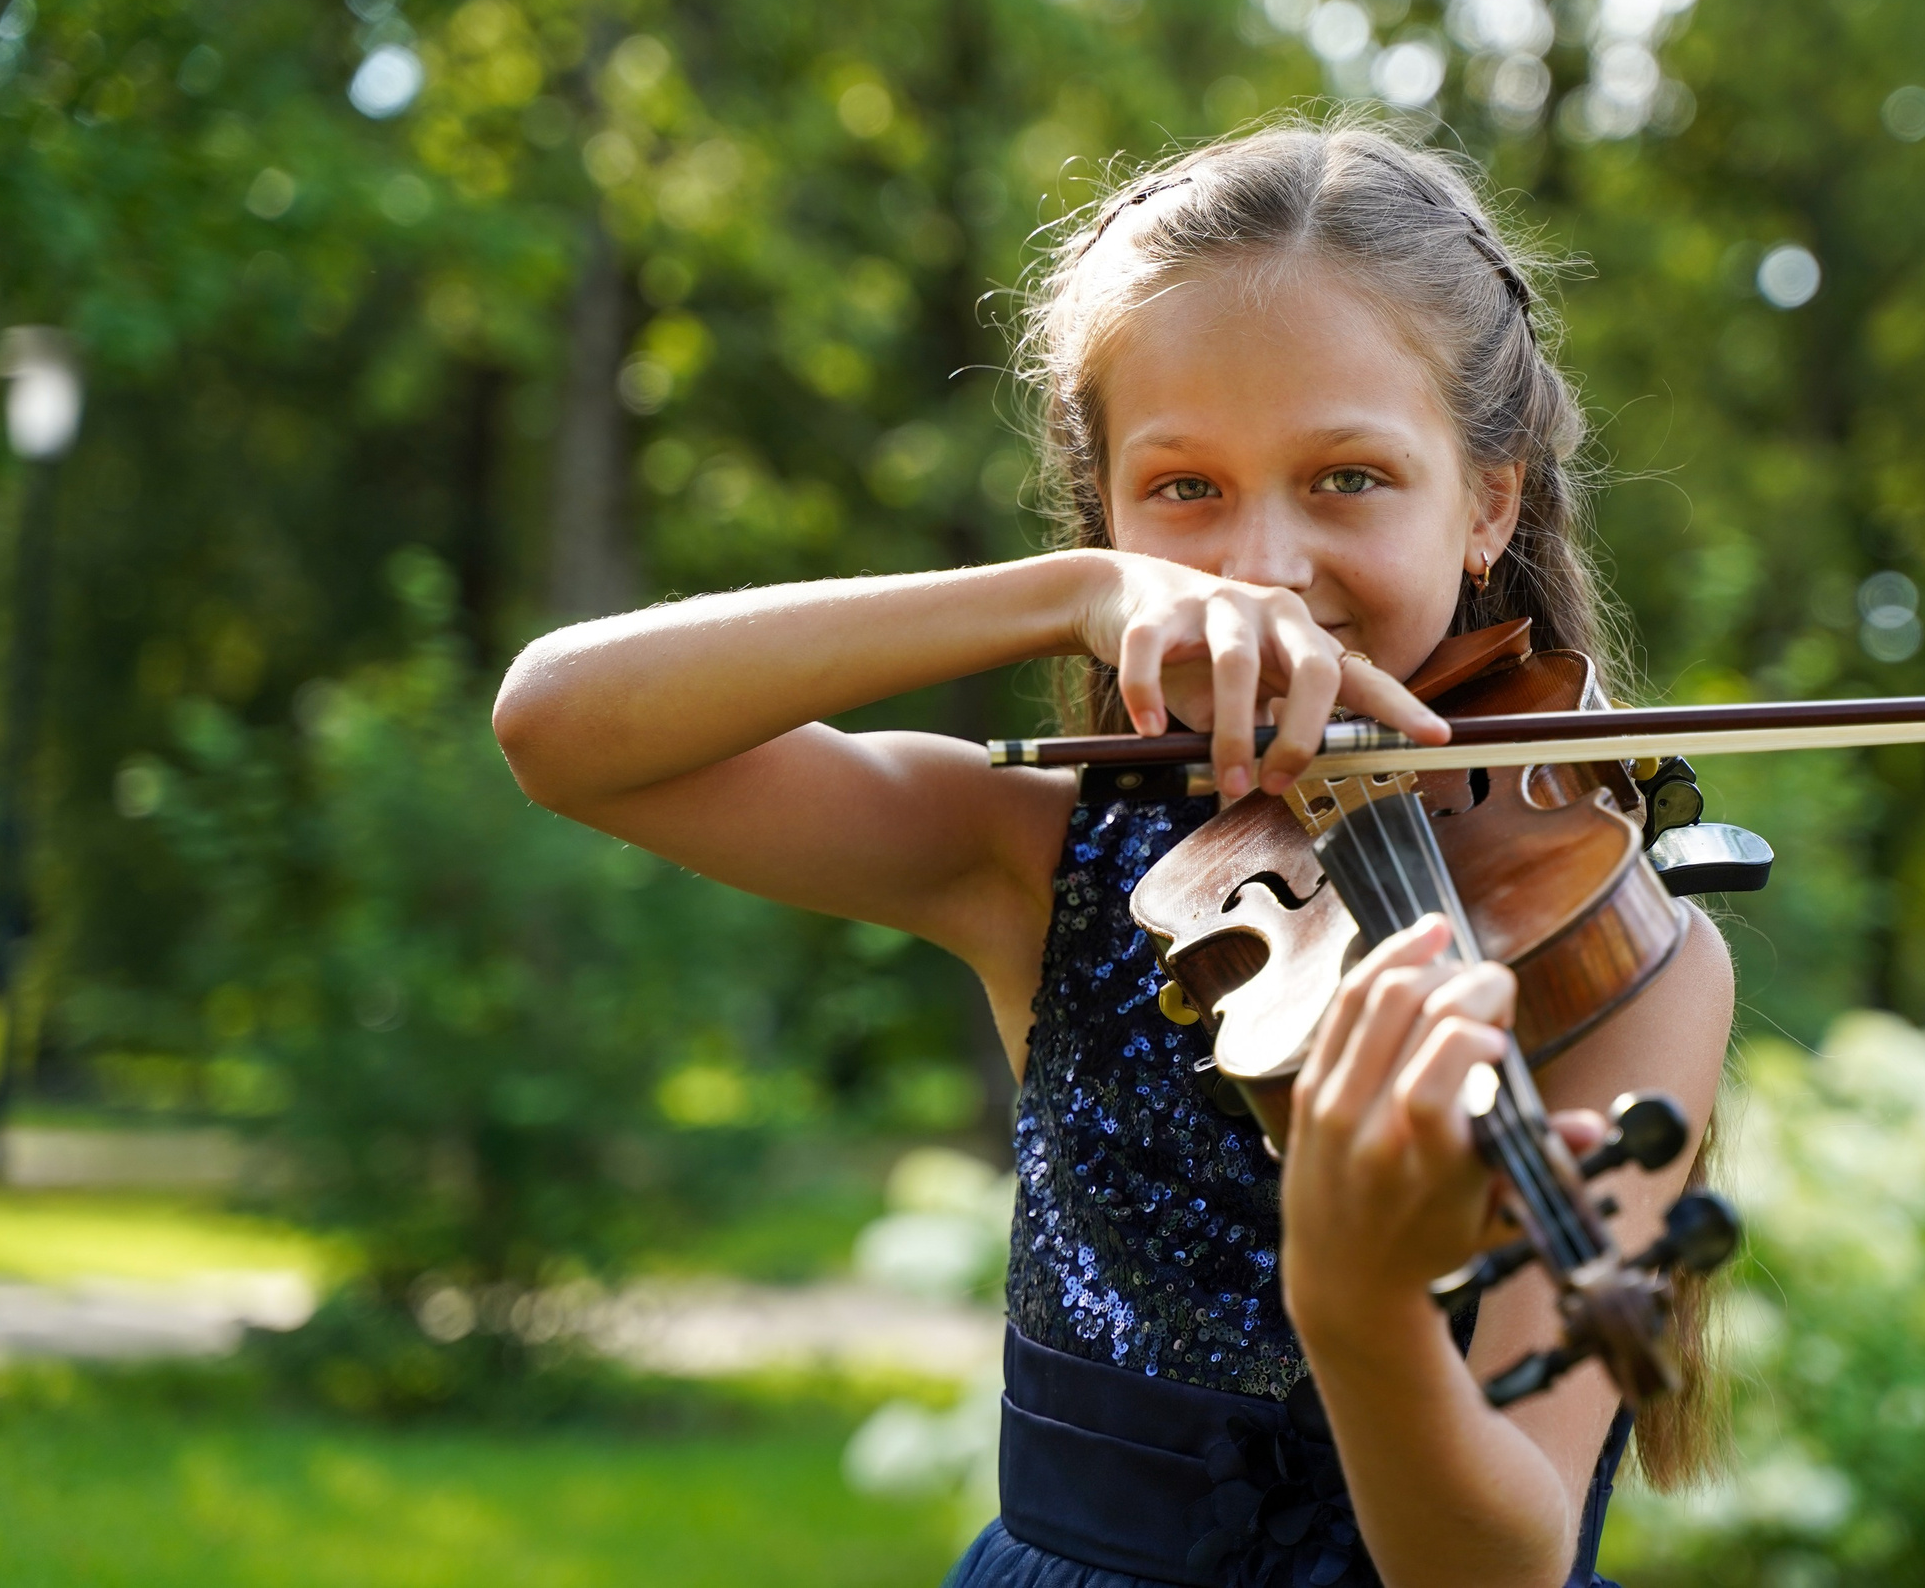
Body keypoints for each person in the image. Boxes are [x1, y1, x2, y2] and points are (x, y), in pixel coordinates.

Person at [493, 119, 1736, 1588]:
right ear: (1110, 519)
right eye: (1183, 490)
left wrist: (1358, 1307)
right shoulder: (1043, 858)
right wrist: (1059, 595)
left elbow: (1499, 1566)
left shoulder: (1610, 952)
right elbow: (558, 726)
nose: (1263, 565)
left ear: (1490, 502)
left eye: (1349, 478)